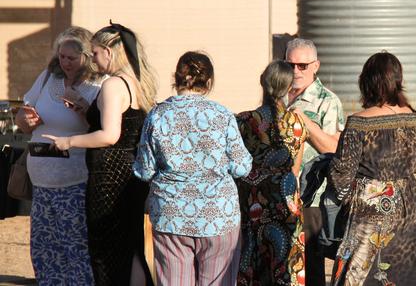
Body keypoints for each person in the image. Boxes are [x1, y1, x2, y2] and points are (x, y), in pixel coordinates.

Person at [44, 22, 157, 285]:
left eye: (94, 53)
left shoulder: (113, 84)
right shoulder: (136, 81)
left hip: (110, 177)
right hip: (130, 174)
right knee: (130, 247)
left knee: (107, 248)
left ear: (109, 51)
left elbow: (110, 135)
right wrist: (87, 110)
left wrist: (69, 141)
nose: (92, 59)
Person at [133, 51, 252, 285]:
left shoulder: (157, 115)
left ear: (175, 78)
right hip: (218, 214)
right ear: (208, 82)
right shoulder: (222, 115)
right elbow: (242, 167)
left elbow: (144, 170)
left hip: (171, 215)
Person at [15, 26, 103, 284]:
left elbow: (103, 129)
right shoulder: (47, 77)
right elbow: (23, 114)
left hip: (74, 182)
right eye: (62, 56)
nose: (65, 62)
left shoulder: (98, 85)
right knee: (45, 249)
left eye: (71, 58)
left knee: (75, 248)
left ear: (86, 57)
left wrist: (84, 111)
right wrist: (25, 119)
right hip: (41, 182)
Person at [329, 51, 416, 285]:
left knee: (358, 274)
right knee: (399, 271)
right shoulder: (411, 117)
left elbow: (342, 173)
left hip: (371, 207)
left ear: (366, 82)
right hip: (408, 205)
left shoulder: (359, 122)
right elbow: (415, 163)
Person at [236, 60, 308, 285]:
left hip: (252, 200)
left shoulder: (245, 121)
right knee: (286, 265)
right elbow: (295, 167)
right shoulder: (297, 122)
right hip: (285, 200)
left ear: (262, 83)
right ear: (289, 88)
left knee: (252, 263)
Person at [285, 38, 344, 286]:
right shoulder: (279, 95)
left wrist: (306, 124)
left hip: (312, 198)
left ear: (315, 66)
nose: (296, 71)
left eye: (302, 66)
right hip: (282, 195)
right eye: (291, 65)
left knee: (310, 269)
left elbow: (333, 148)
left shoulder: (327, 102)